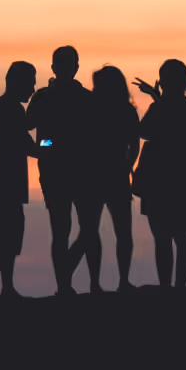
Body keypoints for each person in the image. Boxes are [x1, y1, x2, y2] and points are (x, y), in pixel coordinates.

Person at [27, 46, 97, 295]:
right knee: (70, 229)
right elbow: (28, 127)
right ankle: (67, 284)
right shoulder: (49, 96)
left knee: (75, 229)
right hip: (64, 170)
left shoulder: (53, 96)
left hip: (72, 170)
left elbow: (29, 126)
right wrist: (48, 146)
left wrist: (48, 145)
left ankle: (68, 280)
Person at [68, 65, 141, 292]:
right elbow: (135, 145)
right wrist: (127, 167)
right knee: (113, 233)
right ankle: (113, 282)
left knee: (92, 233)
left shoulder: (87, 108)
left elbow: (73, 141)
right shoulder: (125, 111)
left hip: (94, 178)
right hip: (105, 177)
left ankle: (93, 282)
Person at [134, 59, 186, 287]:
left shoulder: (160, 108)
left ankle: (166, 287)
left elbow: (144, 132)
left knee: (163, 238)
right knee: (183, 237)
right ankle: (180, 286)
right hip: (185, 181)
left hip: (158, 181)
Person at [0, 61, 40, 301]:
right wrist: (53, 142)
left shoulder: (0, 108)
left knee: (5, 237)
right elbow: (30, 145)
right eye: (30, 82)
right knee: (3, 238)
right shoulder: (9, 110)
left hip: (0, 183)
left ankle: (2, 288)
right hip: (3, 184)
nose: (33, 88)